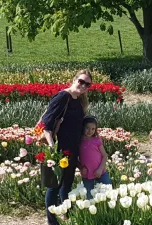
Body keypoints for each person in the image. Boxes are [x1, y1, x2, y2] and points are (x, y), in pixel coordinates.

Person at [42, 69, 92, 225]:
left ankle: (67, 216)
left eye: (87, 84)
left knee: (67, 185)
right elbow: (47, 124)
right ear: (75, 79)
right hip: (59, 149)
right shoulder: (63, 97)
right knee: (54, 186)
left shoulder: (79, 101)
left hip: (72, 149)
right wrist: (52, 148)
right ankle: (52, 221)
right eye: (81, 81)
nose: (83, 86)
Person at [79, 116, 111, 199]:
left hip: (101, 172)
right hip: (87, 174)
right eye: (87, 128)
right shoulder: (79, 141)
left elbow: (104, 155)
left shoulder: (96, 141)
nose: (90, 131)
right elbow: (75, 158)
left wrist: (100, 169)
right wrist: (81, 168)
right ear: (83, 127)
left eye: (93, 129)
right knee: (89, 196)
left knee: (108, 192)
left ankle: (107, 210)